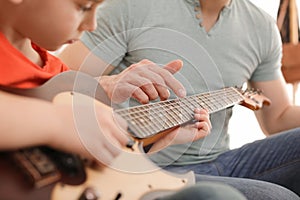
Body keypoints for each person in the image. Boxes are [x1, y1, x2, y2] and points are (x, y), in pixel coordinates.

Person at [0, 0, 249, 199]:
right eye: (83, 7)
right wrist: (56, 121)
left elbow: (82, 164)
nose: (93, 24)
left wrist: (160, 140)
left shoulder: (57, 73)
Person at [59, 0, 300, 199]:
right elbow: (57, 87)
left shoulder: (262, 26)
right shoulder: (129, 6)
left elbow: (278, 118)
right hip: (144, 166)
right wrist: (109, 84)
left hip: (222, 161)